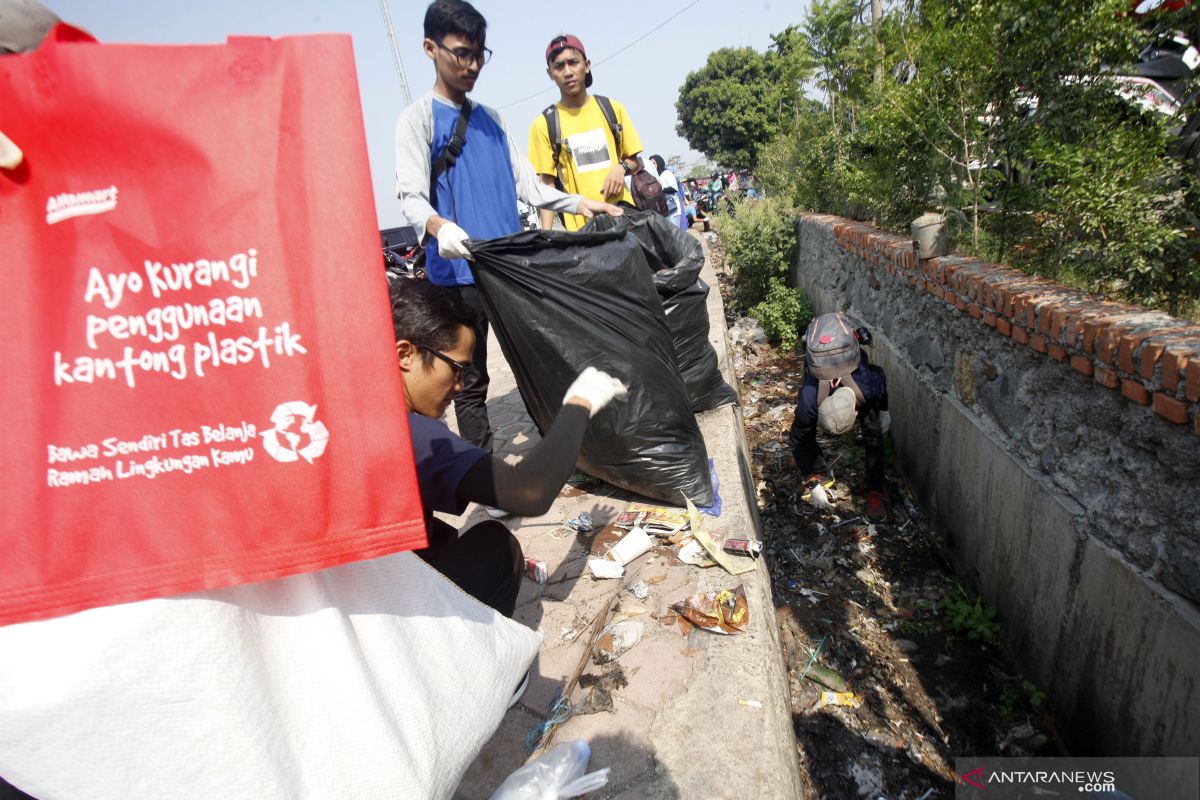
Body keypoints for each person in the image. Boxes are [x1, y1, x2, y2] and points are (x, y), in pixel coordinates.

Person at [394, 0, 621, 460]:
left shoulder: (493, 121)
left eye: (479, 54)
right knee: (469, 381)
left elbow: (531, 188)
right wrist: (441, 228)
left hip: (509, 274)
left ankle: (565, 454)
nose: (472, 65)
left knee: (540, 364)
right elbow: (410, 196)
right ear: (429, 49)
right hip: (457, 278)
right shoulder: (417, 120)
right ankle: (484, 476)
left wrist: (582, 202)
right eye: (461, 53)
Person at [391, 279, 626, 617]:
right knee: (497, 546)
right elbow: (528, 491)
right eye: (456, 368)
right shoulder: (408, 433)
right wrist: (580, 402)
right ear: (405, 354)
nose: (459, 387)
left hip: (359, 597)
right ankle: (484, 659)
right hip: (398, 612)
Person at [529, 33, 646, 231]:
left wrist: (621, 168)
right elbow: (546, 186)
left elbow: (636, 162)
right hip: (582, 234)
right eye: (559, 66)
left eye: (573, 62)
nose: (567, 72)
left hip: (623, 221)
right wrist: (547, 237)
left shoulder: (611, 109)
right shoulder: (544, 124)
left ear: (587, 64)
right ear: (550, 74)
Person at [788, 315, 891, 523]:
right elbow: (797, 439)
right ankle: (818, 473)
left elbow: (881, 376)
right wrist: (809, 476)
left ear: (856, 412)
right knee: (804, 435)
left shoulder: (868, 387)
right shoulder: (809, 401)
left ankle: (875, 491)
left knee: (873, 436)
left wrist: (884, 411)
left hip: (850, 363)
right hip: (820, 363)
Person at [648, 154, 686, 231]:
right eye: (651, 164)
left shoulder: (667, 173)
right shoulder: (652, 176)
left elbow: (674, 188)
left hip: (673, 210)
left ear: (659, 162)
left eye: (654, 163)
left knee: (675, 234)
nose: (652, 165)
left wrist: (660, 189)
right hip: (662, 210)